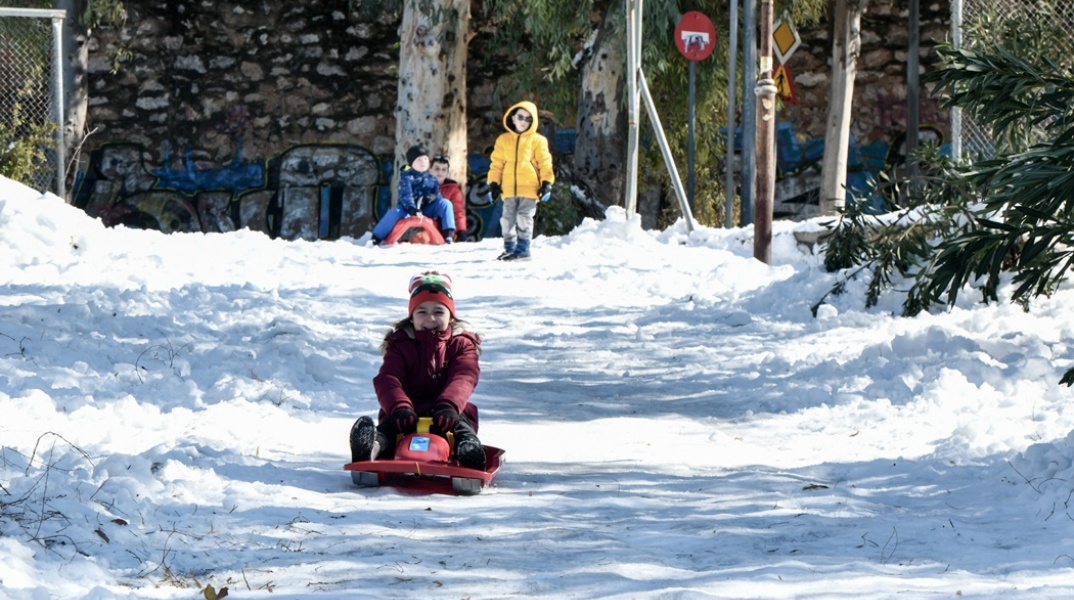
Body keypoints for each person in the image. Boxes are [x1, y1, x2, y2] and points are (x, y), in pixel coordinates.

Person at [348, 271, 486, 471]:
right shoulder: (400, 344)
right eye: (421, 312)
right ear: (412, 317)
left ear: (451, 317)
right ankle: (372, 447)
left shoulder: (462, 344)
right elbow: (388, 378)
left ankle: (468, 449)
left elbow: (464, 377)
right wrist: (399, 407)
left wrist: (449, 405)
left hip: (449, 412)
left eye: (439, 311)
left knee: (461, 426)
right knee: (389, 428)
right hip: (406, 412)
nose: (430, 318)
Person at [487, 100, 555, 260]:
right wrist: (494, 183)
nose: (523, 122)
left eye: (528, 119)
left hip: (530, 188)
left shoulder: (538, 140)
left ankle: (523, 249)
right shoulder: (503, 140)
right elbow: (497, 164)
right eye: (520, 117)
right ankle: (510, 248)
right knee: (507, 219)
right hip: (509, 188)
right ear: (513, 118)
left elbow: (545, 163)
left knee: (524, 218)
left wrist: (547, 183)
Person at [371, 145, 456, 244]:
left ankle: (448, 233)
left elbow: (438, 195)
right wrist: (412, 209)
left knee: (446, 203)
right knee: (394, 213)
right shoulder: (407, 177)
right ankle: (376, 237)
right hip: (408, 209)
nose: (423, 162)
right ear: (412, 163)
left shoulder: (432, 178)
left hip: (426, 209)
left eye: (425, 159)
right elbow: (406, 195)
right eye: (419, 159)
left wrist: (433, 197)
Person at [431, 156, 467, 242]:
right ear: (430, 170)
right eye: (437, 169)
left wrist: (461, 231)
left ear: (447, 172)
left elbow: (458, 212)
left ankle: (448, 236)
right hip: (426, 225)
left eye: (444, 170)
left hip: (443, 229)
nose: (440, 172)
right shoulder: (423, 185)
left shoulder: (453, 190)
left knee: (446, 204)